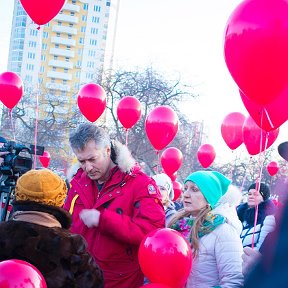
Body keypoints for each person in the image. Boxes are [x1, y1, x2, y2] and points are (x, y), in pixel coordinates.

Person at [63, 123, 165, 288]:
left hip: (118, 280)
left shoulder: (140, 183)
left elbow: (153, 232)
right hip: (78, 277)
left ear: (107, 150)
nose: (88, 167)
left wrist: (104, 220)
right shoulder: (78, 182)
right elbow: (66, 224)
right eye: (82, 161)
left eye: (92, 159)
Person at [0, 168, 104, 288]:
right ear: (59, 200)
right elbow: (94, 283)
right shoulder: (71, 245)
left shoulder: (3, 234)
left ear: (18, 196)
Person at [168, 170, 243, 287]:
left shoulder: (223, 231)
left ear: (209, 197)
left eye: (194, 189)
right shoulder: (178, 226)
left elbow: (234, 282)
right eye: (185, 188)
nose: (186, 194)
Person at [237, 182, 277, 250]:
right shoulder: (239, 215)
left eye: (255, 194)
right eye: (249, 194)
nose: (251, 196)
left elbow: (262, 247)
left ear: (263, 198)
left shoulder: (268, 218)